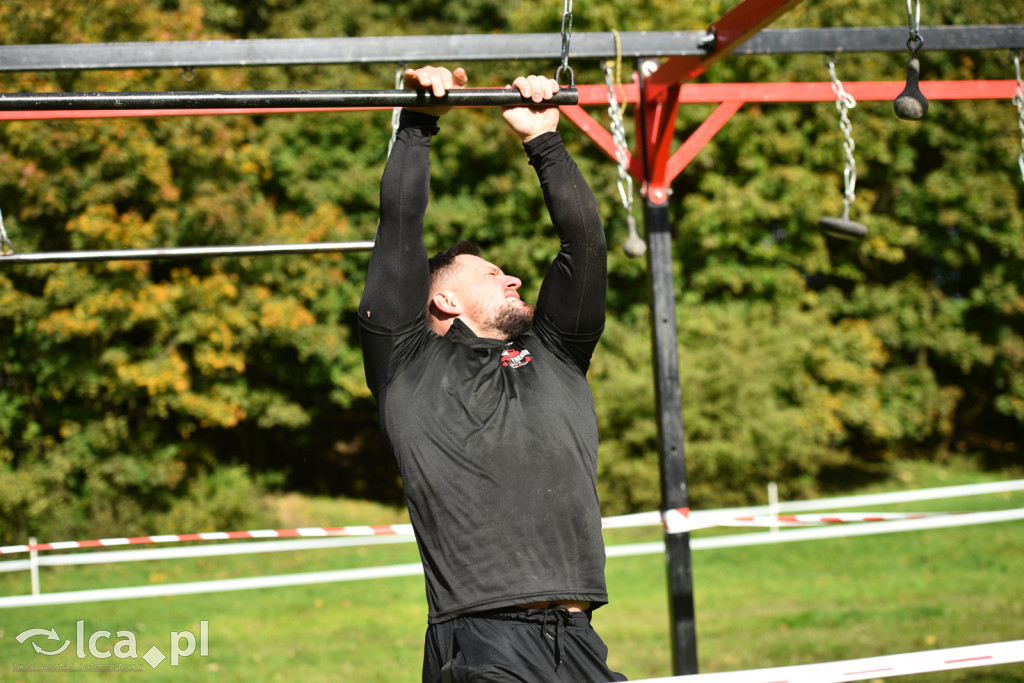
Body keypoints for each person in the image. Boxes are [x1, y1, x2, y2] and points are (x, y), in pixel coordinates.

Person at [358, 65, 626, 683]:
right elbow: (398, 230)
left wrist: (544, 141)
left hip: (579, 641)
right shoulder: (407, 366)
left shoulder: (556, 353)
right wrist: (418, 124)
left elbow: (583, 243)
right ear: (445, 303)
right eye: (489, 274)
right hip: (481, 645)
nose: (511, 278)